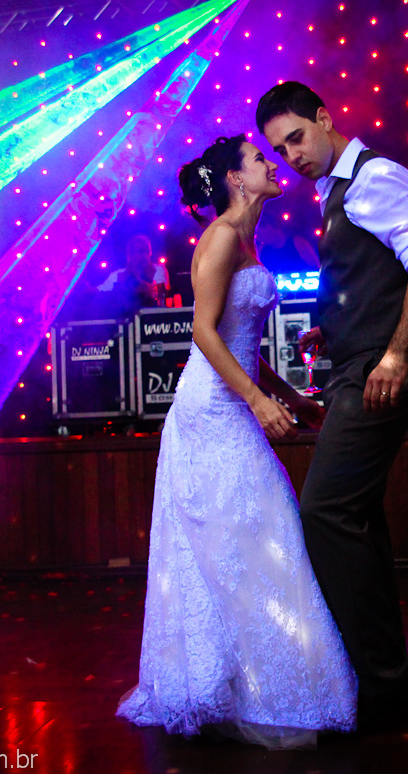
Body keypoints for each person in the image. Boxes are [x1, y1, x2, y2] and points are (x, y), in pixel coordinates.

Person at [116, 135, 357, 749]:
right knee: (253, 533)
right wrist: (255, 400)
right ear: (235, 179)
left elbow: (241, 341)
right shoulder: (222, 236)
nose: (271, 164)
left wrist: (292, 397)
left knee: (254, 536)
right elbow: (203, 331)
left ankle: (259, 684)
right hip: (209, 411)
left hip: (234, 401)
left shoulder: (248, 240)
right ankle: (234, 686)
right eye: (258, 159)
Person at [257, 82, 408, 732]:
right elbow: (371, 276)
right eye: (280, 150)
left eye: (297, 138)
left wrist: (396, 355)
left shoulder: (375, 176)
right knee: (356, 520)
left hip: (376, 374)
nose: (292, 156)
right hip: (354, 364)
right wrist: (331, 329)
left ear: (325, 118)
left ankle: (382, 684)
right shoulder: (335, 190)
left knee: (326, 513)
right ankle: (388, 690)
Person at [94, 234, 170, 317]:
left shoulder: (158, 270)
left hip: (152, 318)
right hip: (124, 319)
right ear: (128, 255)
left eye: (143, 251)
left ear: (150, 252)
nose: (140, 256)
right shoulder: (117, 275)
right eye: (134, 252)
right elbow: (99, 291)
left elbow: (158, 292)